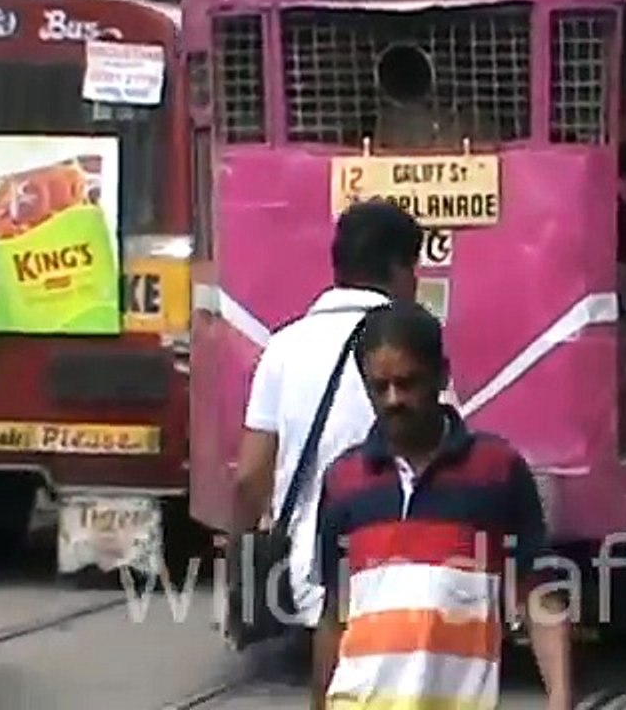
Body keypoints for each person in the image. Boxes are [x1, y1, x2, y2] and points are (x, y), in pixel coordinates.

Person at [312, 301, 572, 710]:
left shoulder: (497, 471)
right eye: (379, 387)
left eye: (407, 383)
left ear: (441, 375)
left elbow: (539, 594)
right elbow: (333, 615)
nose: (393, 399)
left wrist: (560, 697)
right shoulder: (343, 481)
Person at [233, 200, 423, 643]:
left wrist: (241, 568)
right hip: (392, 580)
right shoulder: (412, 347)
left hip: (303, 584)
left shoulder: (283, 347)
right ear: (399, 269)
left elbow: (248, 478)